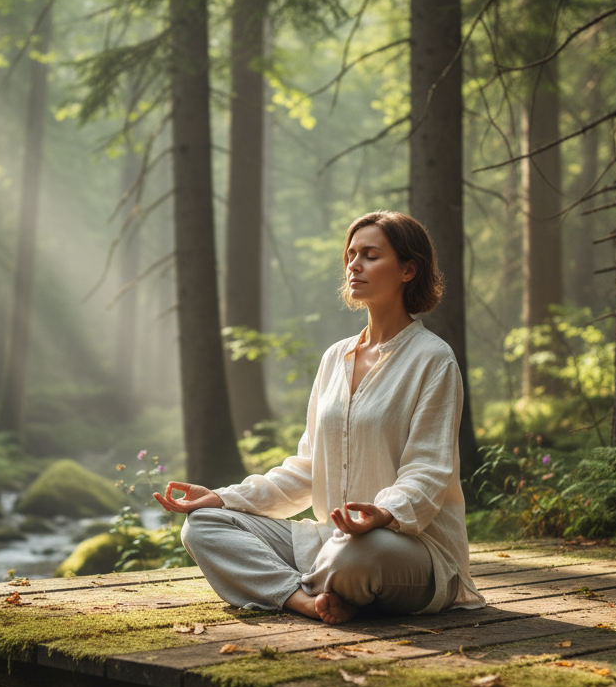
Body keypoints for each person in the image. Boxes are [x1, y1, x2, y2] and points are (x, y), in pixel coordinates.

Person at [154, 210, 485, 625]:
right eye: (350, 255)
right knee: (202, 526)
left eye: (370, 255)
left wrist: (381, 515)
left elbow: (428, 471)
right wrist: (224, 497)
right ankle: (304, 599)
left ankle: (303, 583)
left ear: (408, 269)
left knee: (355, 555)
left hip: (405, 548)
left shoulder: (434, 359)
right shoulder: (335, 358)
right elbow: (307, 471)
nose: (354, 265)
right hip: (330, 542)